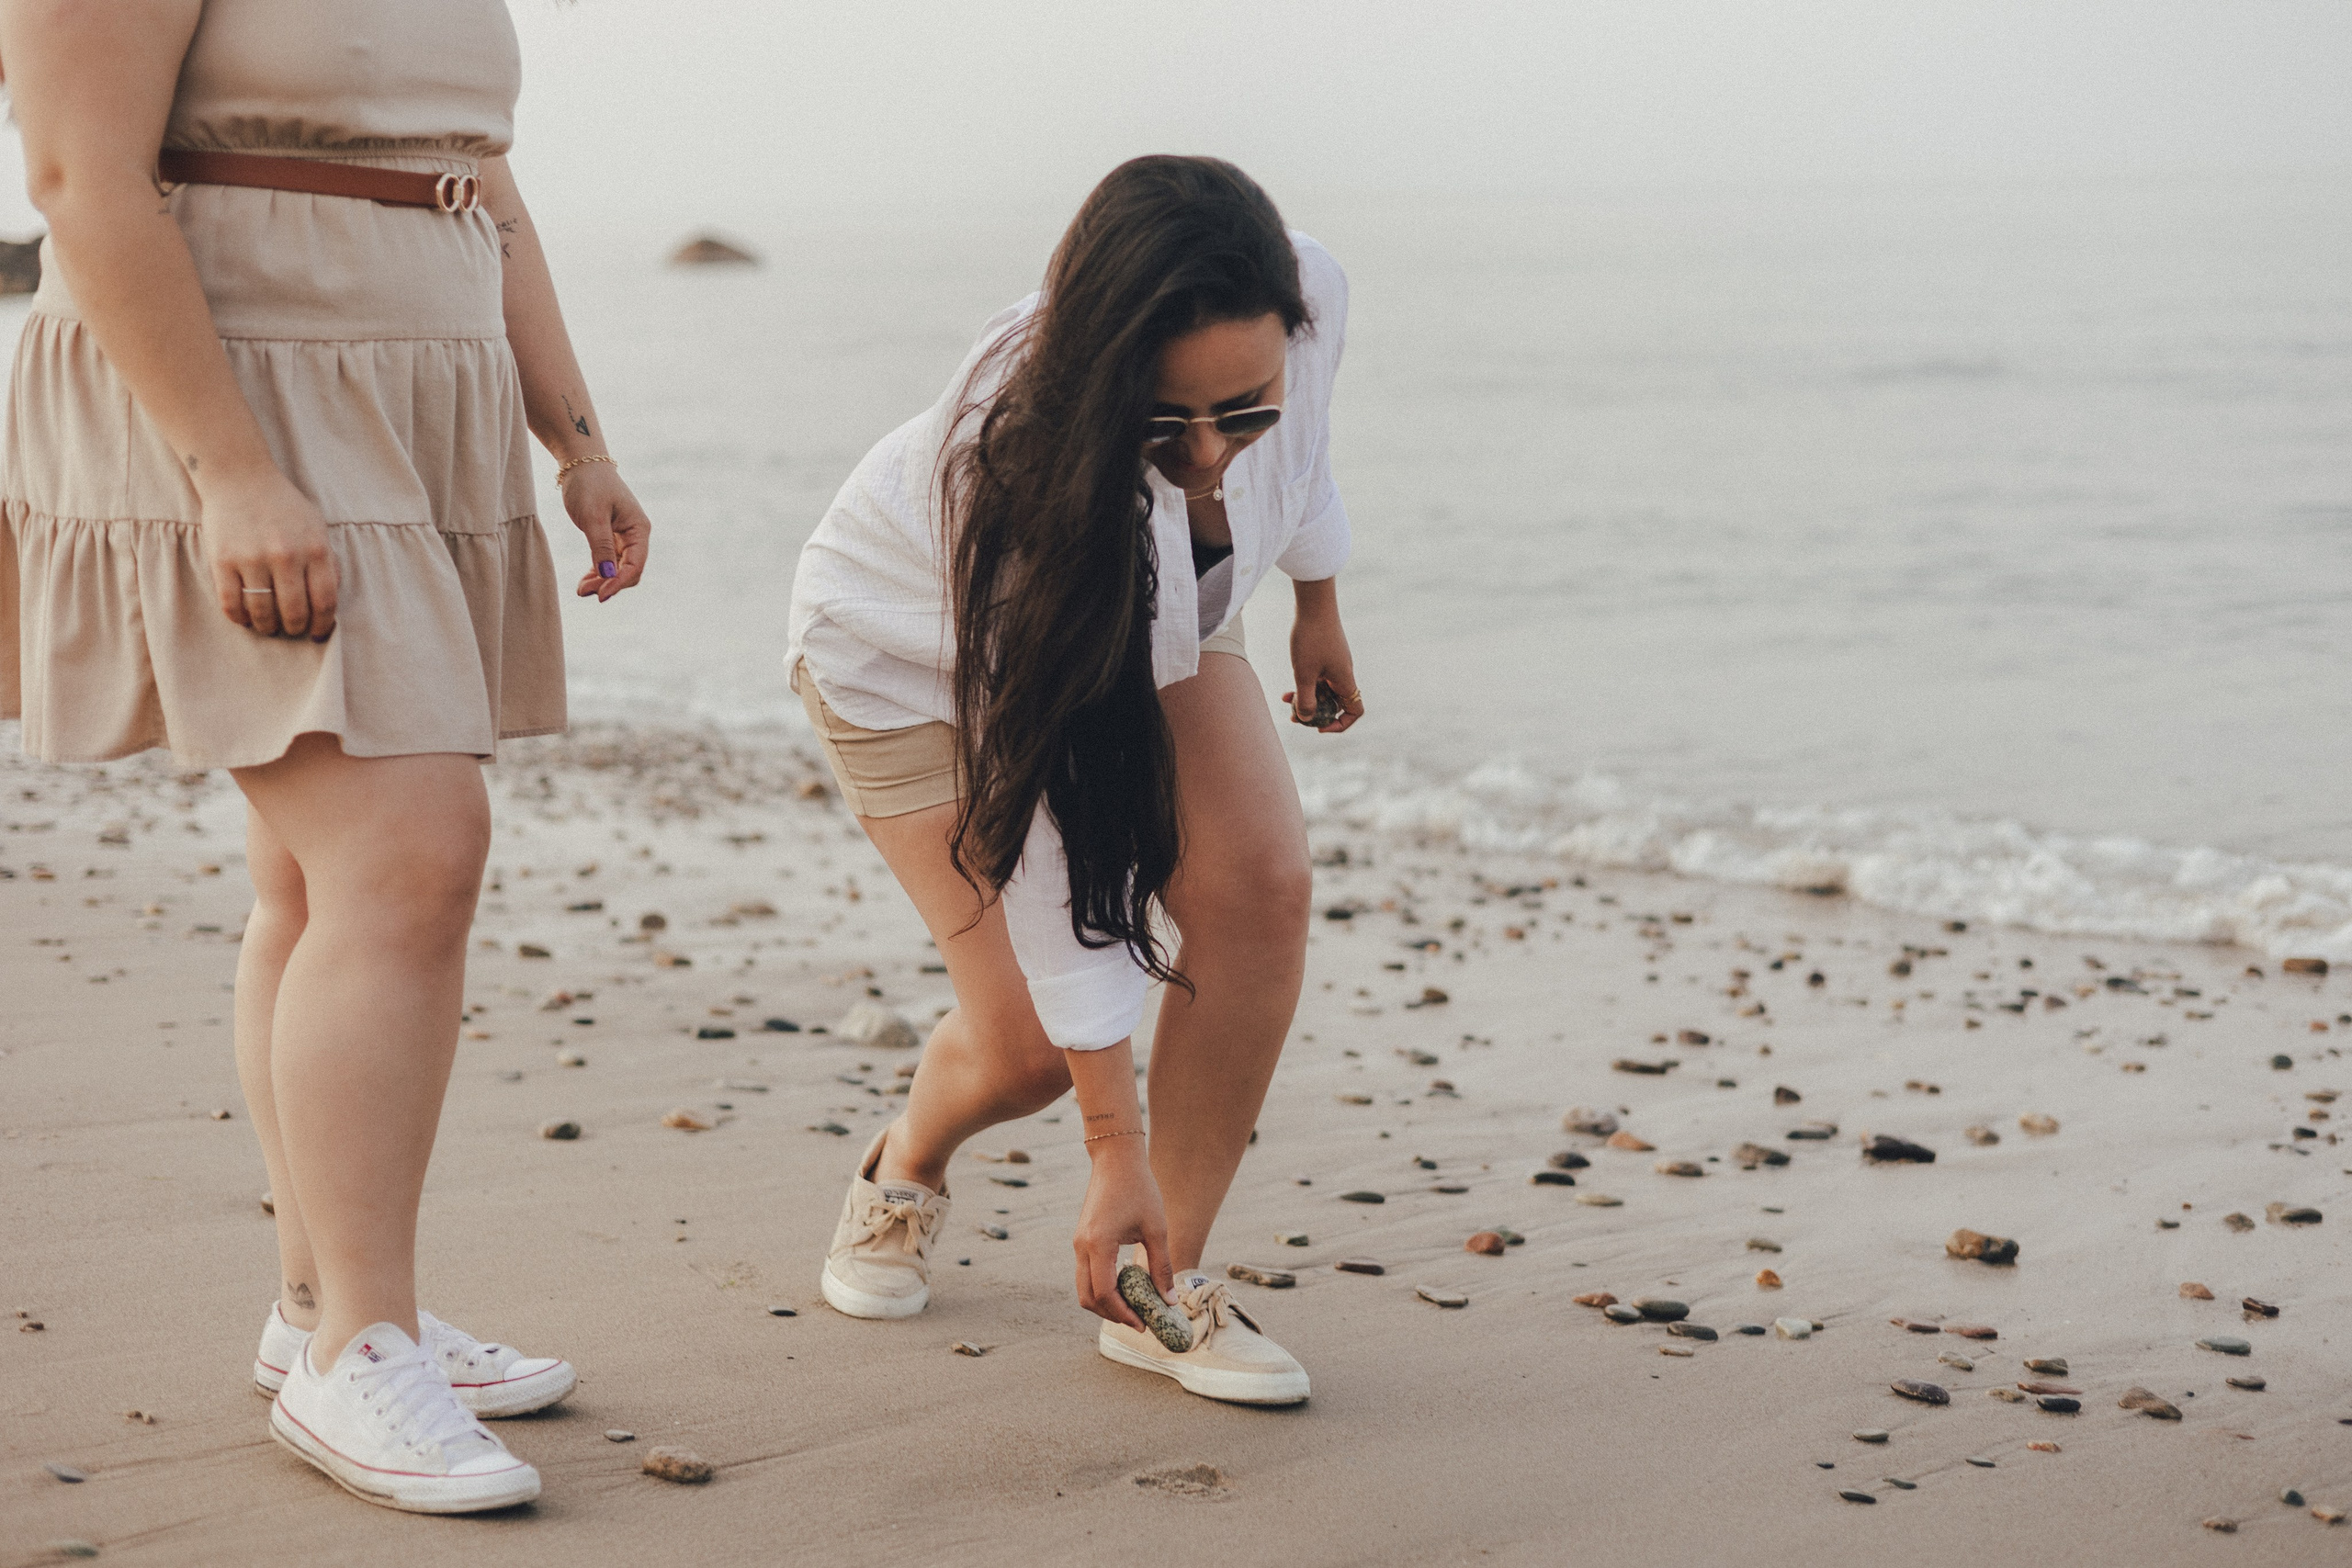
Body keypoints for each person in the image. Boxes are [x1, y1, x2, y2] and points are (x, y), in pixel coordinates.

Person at [0, 0, 650, 1512]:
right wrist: (230, 471)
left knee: (313, 879)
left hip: (405, 390)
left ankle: (327, 1309)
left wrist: (579, 440)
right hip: (226, 395)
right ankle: (357, 1348)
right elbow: (78, 178)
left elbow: (480, 179)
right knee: (410, 854)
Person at [786, 155, 1361, 1405]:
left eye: (1240, 408)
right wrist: (1113, 1141)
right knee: (1031, 1048)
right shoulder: (1004, 473)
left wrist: (1317, 599)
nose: (1211, 454)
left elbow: (1302, 450)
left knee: (1262, 879)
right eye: (1167, 424)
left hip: (1160, 610)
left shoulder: (1305, 289)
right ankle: (909, 1160)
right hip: (910, 651)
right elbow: (1051, 846)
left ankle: (1164, 1285)